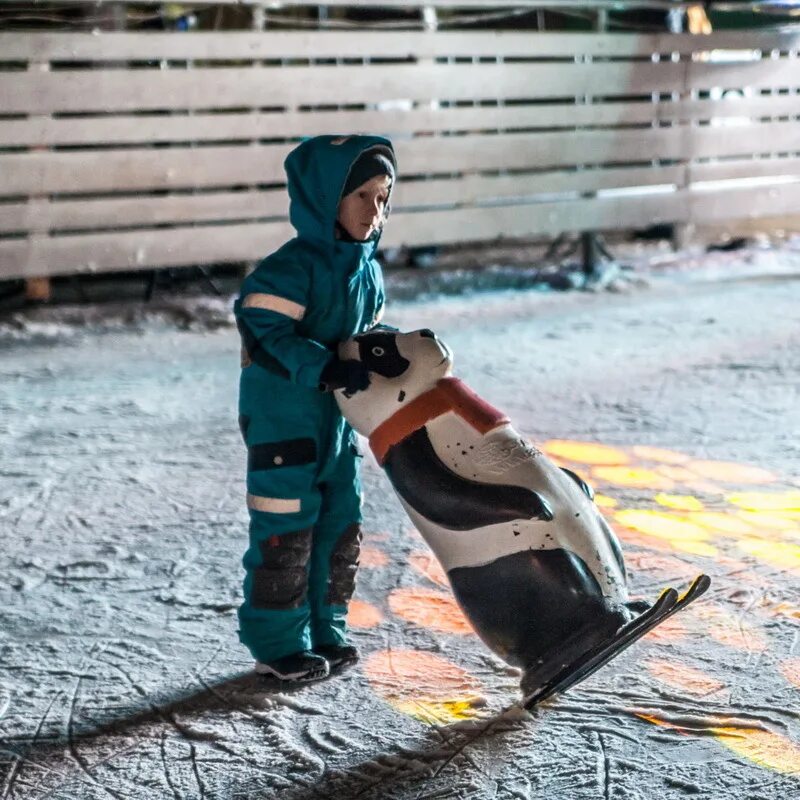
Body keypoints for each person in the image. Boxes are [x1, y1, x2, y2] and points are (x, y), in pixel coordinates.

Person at [234, 135, 396, 682]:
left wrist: (387, 352)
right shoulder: (290, 269)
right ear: (326, 200)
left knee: (339, 521)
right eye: (363, 197)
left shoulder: (367, 268)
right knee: (286, 531)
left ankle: (326, 627)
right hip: (285, 422)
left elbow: (364, 331)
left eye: (384, 196)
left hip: (337, 425)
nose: (375, 211)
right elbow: (264, 327)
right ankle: (278, 642)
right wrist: (322, 366)